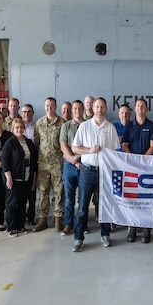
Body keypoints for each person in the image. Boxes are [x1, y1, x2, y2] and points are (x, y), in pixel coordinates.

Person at [71, 97, 120, 251]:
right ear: (93, 108)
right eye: (97, 107)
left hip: (105, 171)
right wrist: (89, 150)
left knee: (104, 205)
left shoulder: (110, 128)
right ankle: (78, 238)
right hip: (87, 170)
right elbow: (75, 148)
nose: (100, 110)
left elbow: (115, 151)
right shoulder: (85, 126)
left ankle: (105, 234)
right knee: (83, 206)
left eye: (102, 107)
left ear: (105, 109)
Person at [121, 98, 153, 243]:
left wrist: (142, 161)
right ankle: (133, 228)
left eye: (142, 106)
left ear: (146, 109)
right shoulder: (129, 125)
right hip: (131, 168)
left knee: (146, 199)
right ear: (134, 109)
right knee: (133, 199)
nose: (140, 108)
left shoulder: (152, 125)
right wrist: (135, 162)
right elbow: (125, 145)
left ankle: (147, 229)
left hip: (147, 168)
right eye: (137, 106)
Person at [32, 97, 65, 232]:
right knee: (43, 192)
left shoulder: (62, 123)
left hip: (58, 164)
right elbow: (36, 144)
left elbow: (65, 143)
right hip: (43, 165)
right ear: (44, 107)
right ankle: (43, 219)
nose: (49, 108)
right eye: (47, 105)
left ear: (55, 107)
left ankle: (58, 219)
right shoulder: (39, 123)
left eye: (51, 105)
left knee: (59, 192)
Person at [2, 118, 38, 238]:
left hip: (26, 178)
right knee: (12, 204)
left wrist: (33, 177)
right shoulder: (10, 143)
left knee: (22, 203)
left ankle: (20, 225)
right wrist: (9, 178)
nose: (19, 129)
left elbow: (33, 161)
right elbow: (5, 162)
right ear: (13, 128)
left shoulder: (28, 142)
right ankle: (12, 228)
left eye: (21, 127)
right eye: (16, 127)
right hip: (14, 178)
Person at [59, 100, 84, 235]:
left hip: (84, 165)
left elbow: (90, 146)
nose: (77, 111)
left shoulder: (88, 125)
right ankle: (68, 224)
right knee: (69, 198)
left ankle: (82, 224)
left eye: (79, 108)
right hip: (69, 165)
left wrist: (79, 160)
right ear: (72, 110)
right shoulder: (66, 126)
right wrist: (73, 160)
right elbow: (63, 145)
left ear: (83, 109)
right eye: (75, 108)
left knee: (82, 198)